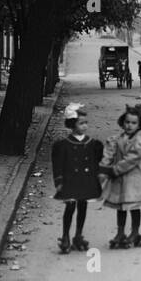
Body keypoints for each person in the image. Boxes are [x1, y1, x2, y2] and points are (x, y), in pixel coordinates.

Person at [51, 103, 104, 254]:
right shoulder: (63, 145)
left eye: (86, 123)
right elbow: (58, 165)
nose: (85, 126)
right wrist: (59, 181)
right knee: (70, 206)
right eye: (81, 123)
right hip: (70, 180)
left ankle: (78, 234)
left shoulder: (92, 144)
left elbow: (96, 162)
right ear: (72, 124)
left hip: (85, 180)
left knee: (83, 205)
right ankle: (65, 235)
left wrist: (98, 178)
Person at [101, 106, 141, 248]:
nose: (129, 125)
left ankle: (135, 232)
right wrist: (103, 167)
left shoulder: (139, 144)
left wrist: (114, 169)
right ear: (122, 123)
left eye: (134, 123)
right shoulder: (116, 140)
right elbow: (109, 154)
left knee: (134, 206)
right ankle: (120, 232)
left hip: (134, 180)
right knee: (120, 207)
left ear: (139, 125)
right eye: (127, 122)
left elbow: (130, 160)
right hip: (120, 181)